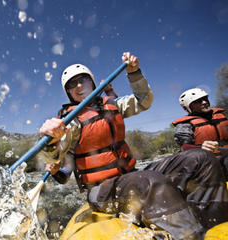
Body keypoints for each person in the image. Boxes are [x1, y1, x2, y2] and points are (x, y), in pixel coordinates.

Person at [39, 52, 209, 239]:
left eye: (83, 80)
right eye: (72, 84)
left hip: (131, 174)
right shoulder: (69, 122)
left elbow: (143, 101)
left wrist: (134, 73)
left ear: (93, 83)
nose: (79, 85)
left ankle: (212, 223)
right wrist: (51, 140)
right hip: (101, 190)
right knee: (148, 181)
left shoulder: (112, 105)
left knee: (199, 159)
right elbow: (54, 157)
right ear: (69, 93)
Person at [171, 88, 228, 178]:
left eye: (205, 99)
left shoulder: (223, 115)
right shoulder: (184, 125)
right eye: (198, 101)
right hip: (208, 165)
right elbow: (184, 148)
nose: (204, 102)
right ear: (187, 108)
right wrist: (200, 148)